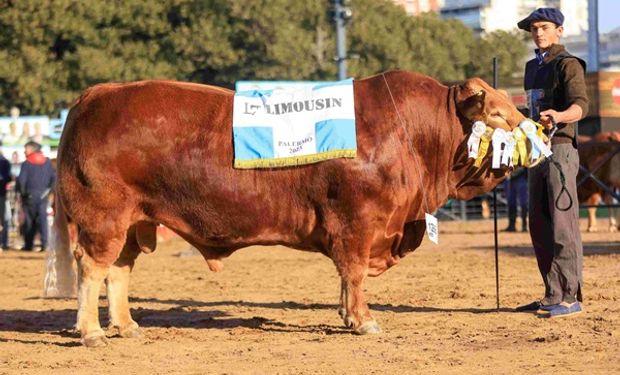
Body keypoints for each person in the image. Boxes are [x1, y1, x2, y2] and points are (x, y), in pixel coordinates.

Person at [514, 8, 589, 318]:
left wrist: (559, 116)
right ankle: (551, 293)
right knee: (539, 223)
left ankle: (570, 296)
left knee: (562, 223)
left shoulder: (569, 64)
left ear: (559, 30)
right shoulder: (532, 67)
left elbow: (581, 106)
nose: (538, 33)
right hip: (535, 150)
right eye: (533, 28)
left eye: (544, 27)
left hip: (560, 148)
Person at [16, 141, 55, 252]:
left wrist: (23, 194)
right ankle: (45, 244)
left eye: (26, 149)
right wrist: (49, 191)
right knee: (43, 220)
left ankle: (29, 245)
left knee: (29, 221)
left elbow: (21, 181)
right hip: (44, 196)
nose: (24, 151)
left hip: (30, 196)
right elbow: (54, 178)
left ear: (32, 149)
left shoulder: (26, 163)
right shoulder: (47, 162)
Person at [502, 167, 528, 232]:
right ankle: (512, 225)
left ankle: (524, 226)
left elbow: (524, 165)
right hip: (510, 179)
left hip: (520, 178)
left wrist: (512, 174)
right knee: (511, 202)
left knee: (523, 203)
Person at [0, 142, 12, 251]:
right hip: (1, 194)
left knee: (2, 219)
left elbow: (7, 178)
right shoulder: (5, 162)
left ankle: (2, 242)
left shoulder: (4, 162)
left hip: (1, 194)